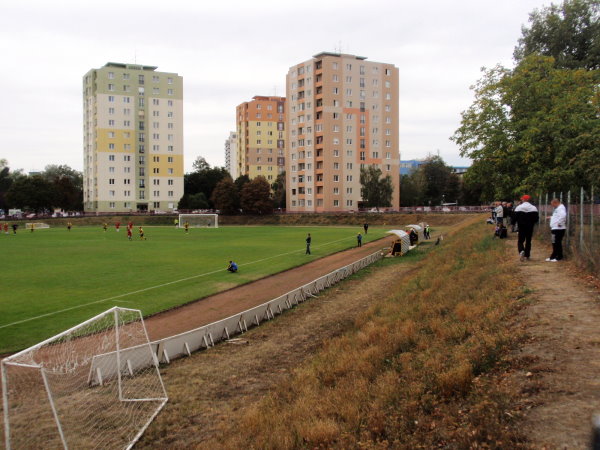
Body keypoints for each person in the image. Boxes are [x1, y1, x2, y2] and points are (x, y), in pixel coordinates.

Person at [514, 195, 539, 261]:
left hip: (521, 226)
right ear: (529, 199)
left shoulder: (519, 207)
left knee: (520, 240)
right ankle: (527, 255)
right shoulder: (533, 208)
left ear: (523, 200)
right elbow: (536, 219)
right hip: (530, 227)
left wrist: (513, 224)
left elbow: (514, 218)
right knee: (528, 241)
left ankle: (521, 250)